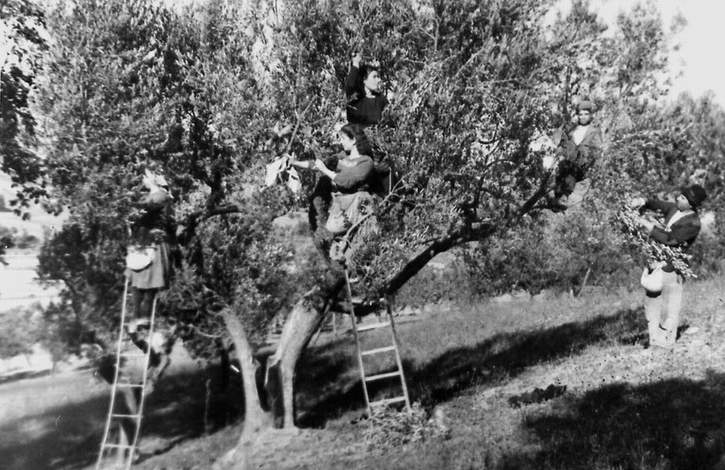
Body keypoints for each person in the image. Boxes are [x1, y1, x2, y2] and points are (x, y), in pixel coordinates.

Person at [631, 184, 707, 349]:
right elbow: (656, 204)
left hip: (673, 267)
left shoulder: (693, 223)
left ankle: (666, 342)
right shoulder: (674, 209)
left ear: (691, 204)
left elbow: (670, 239)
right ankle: (653, 340)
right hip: (657, 261)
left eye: (683, 198)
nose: (678, 198)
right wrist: (641, 201)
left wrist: (649, 226)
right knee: (651, 300)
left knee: (670, 306)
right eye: (680, 195)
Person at [291, 123, 377, 263]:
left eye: (343, 138)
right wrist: (295, 162)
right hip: (341, 204)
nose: (341, 141)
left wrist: (325, 170)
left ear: (353, 139)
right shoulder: (342, 157)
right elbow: (317, 165)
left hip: (356, 203)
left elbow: (347, 181)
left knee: (338, 231)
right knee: (331, 230)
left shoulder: (366, 162)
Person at [124, 168, 175, 332]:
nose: (143, 179)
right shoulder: (149, 197)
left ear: (154, 178)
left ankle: (143, 319)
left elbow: (144, 209)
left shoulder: (160, 195)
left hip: (154, 242)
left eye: (146, 175)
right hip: (143, 242)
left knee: (149, 282)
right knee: (137, 281)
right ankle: (137, 318)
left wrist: (128, 208)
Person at [344, 52, 393, 196]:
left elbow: (390, 125)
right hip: (361, 154)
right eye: (375, 77)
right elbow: (350, 87)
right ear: (364, 80)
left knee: (388, 192)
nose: (379, 80)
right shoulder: (356, 100)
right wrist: (355, 64)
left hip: (381, 155)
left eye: (379, 76)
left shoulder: (382, 100)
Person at [552, 99, 603, 209]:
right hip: (567, 161)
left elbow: (597, 151)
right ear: (578, 116)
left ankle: (564, 196)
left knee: (573, 169)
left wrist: (592, 165)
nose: (583, 117)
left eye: (586, 114)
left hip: (581, 164)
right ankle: (557, 197)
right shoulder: (572, 129)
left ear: (590, 115)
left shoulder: (594, 132)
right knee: (563, 168)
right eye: (581, 114)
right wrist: (560, 154)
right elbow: (562, 143)